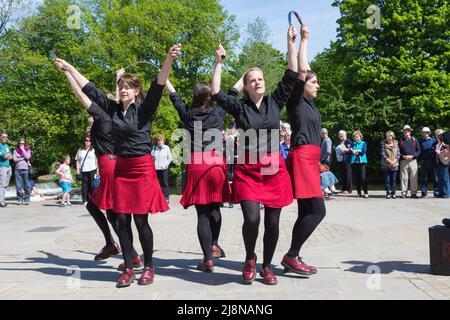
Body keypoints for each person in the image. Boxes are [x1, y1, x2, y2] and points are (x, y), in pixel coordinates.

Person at [58, 43, 180, 288]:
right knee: (122, 220)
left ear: (136, 91)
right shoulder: (111, 109)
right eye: (121, 86)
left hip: (142, 169)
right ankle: (128, 266)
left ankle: (149, 266)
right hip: (122, 169)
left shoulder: (145, 110)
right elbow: (89, 89)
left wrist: (168, 58)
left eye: (128, 87)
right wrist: (70, 69)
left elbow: (159, 83)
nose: (123, 90)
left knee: (140, 221)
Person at [211, 25, 298, 285]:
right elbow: (216, 93)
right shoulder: (239, 108)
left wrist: (290, 42)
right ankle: (250, 257)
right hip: (248, 170)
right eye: (252, 80)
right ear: (246, 87)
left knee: (272, 222)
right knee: (252, 217)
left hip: (273, 169)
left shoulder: (275, 102)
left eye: (260, 79)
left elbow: (292, 74)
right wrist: (218, 63)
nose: (257, 82)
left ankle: (267, 266)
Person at [55, 63, 142, 269]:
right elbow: (110, 98)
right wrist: (119, 78)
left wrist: (68, 74)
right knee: (106, 210)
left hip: (110, 167)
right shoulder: (113, 116)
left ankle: (126, 252)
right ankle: (122, 249)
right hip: (109, 166)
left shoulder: (103, 116)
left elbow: (82, 95)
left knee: (108, 211)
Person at [166, 79, 231, 272]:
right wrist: (242, 78)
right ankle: (214, 243)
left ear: (194, 96)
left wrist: (166, 77)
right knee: (215, 208)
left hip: (196, 163)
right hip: (216, 163)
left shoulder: (187, 114)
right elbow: (234, 92)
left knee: (202, 213)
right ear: (210, 96)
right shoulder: (218, 112)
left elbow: (173, 95)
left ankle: (208, 258)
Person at [282, 24, 324, 277]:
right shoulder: (296, 100)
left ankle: (293, 255)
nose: (318, 85)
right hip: (301, 158)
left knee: (307, 211)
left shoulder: (310, 104)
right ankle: (291, 255)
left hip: (311, 160)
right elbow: (300, 69)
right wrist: (302, 41)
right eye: (315, 82)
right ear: (304, 83)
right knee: (318, 211)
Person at [399, 125, 421, 198]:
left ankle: (413, 193)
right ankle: (404, 193)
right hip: (404, 161)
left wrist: (413, 156)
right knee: (404, 177)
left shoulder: (414, 140)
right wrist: (403, 156)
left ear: (410, 131)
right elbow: (397, 152)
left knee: (413, 177)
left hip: (413, 161)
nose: (406, 132)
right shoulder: (401, 140)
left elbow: (418, 151)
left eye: (408, 130)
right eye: (405, 130)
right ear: (403, 132)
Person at [75, 136, 98, 205]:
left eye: (89, 141)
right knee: (84, 185)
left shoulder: (93, 150)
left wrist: (97, 169)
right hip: (84, 170)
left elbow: (96, 160)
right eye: (86, 140)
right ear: (84, 141)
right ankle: (84, 200)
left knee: (92, 185)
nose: (88, 142)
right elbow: (77, 160)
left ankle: (92, 200)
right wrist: (77, 169)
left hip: (92, 169)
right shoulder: (80, 150)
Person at [151, 134, 172, 204]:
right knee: (156, 183)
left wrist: (166, 165)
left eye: (161, 140)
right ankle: (157, 197)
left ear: (163, 141)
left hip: (164, 168)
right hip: (156, 168)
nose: (160, 142)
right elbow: (151, 158)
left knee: (165, 183)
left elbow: (170, 158)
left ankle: (166, 198)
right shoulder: (154, 148)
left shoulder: (166, 148)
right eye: (158, 140)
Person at [418, 127, 438, 198]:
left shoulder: (433, 140)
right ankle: (424, 193)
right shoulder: (420, 141)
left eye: (427, 132)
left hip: (433, 162)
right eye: (424, 132)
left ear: (429, 133)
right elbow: (418, 151)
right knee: (424, 179)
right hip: (424, 162)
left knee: (435, 178)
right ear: (422, 133)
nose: (425, 133)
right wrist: (419, 161)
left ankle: (436, 193)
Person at [381, 130, 400, 199]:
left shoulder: (396, 144)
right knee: (387, 180)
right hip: (386, 165)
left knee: (394, 180)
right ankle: (388, 193)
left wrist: (394, 161)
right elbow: (383, 154)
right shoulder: (383, 144)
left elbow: (398, 154)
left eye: (390, 136)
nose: (389, 138)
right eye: (387, 136)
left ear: (393, 137)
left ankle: (393, 193)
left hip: (394, 165)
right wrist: (389, 161)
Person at [350, 130, 369, 198]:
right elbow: (350, 152)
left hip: (362, 163)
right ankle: (359, 193)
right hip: (354, 163)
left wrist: (356, 151)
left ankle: (366, 192)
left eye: (358, 137)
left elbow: (363, 152)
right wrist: (355, 151)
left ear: (360, 137)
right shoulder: (352, 144)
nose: (356, 138)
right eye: (355, 137)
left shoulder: (363, 143)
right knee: (357, 179)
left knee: (363, 178)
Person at [13, 137, 32, 205]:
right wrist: (22, 158)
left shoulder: (27, 149)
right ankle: (20, 199)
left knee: (27, 185)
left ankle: (26, 199)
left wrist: (23, 150)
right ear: (18, 143)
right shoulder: (15, 150)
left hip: (26, 169)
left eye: (23, 143)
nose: (22, 144)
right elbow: (14, 159)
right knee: (18, 186)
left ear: (25, 144)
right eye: (20, 143)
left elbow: (28, 157)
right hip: (17, 170)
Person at [434, 129, 449, 199]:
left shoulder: (446, 143)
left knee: (445, 178)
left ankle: (446, 193)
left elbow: (448, 152)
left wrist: (440, 152)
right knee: (439, 179)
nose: (439, 136)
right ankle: (440, 193)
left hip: (444, 163)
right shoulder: (437, 144)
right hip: (438, 163)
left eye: (440, 135)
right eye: (437, 135)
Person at [0, 132, 13, 207]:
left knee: (6, 184)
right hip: (2, 167)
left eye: (6, 137)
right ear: (0, 137)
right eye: (3, 137)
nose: (5, 138)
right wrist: (6, 155)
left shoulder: (7, 146)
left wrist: (7, 155)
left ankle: (2, 199)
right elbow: (4, 156)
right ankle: (1, 201)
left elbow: (11, 156)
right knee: (2, 184)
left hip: (8, 166)